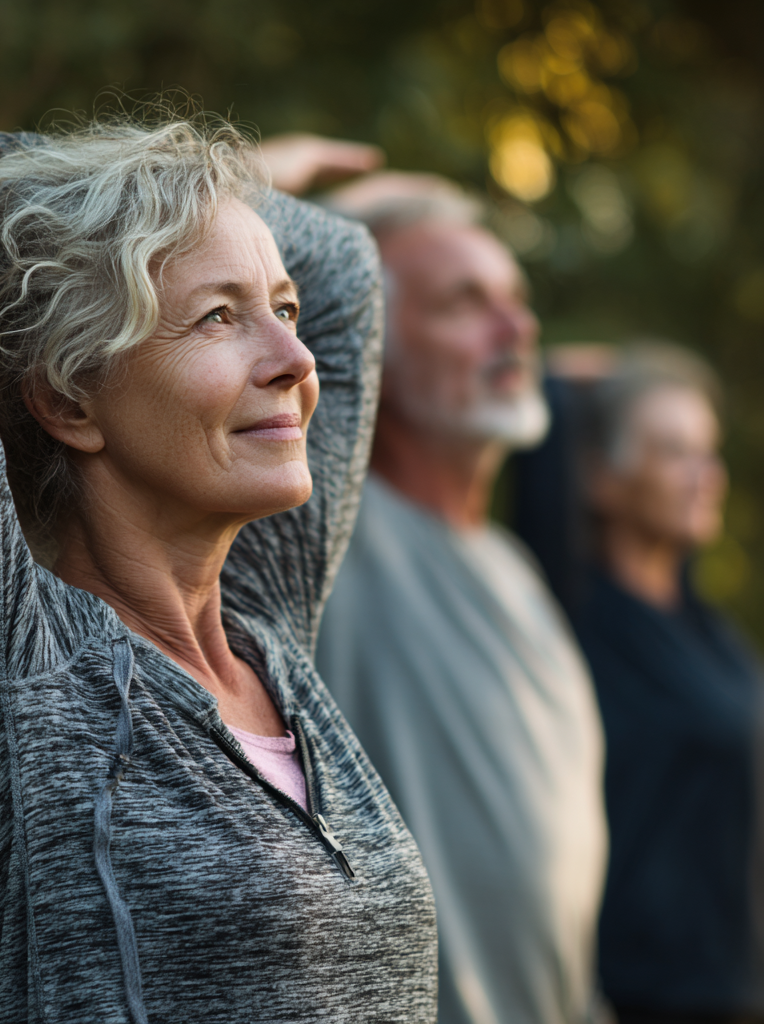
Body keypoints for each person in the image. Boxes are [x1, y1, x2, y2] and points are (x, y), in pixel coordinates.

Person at [0, 99, 438, 1024]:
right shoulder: (20, 672)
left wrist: (118, 183)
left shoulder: (265, 631)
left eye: (282, 309)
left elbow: (340, 263)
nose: (296, 359)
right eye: (220, 318)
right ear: (69, 402)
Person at [315, 172, 607, 1024]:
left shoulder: (515, 570)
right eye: (463, 303)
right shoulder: (324, 533)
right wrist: (270, 190)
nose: (518, 329)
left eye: (516, 298)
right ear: (364, 342)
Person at [524, 342, 764, 1023]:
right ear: (601, 478)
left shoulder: (703, 630)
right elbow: (543, 499)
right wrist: (556, 378)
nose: (705, 474)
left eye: (707, 451)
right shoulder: (579, 621)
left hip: (732, 989)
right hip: (638, 995)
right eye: (674, 451)